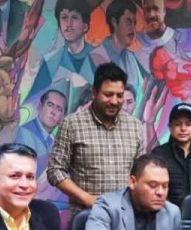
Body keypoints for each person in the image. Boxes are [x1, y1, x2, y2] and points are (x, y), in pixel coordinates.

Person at [47, 63, 145, 216]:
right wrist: (87, 198)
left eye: (119, 96)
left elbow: (140, 172)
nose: (114, 101)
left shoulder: (135, 127)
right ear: (94, 93)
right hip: (85, 216)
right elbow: (55, 171)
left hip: (125, 218)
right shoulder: (72, 124)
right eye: (108, 95)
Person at [15, 89, 67, 176]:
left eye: (59, 109)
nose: (53, 112)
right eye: (50, 105)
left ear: (62, 117)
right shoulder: (24, 133)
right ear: (40, 107)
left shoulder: (53, 141)